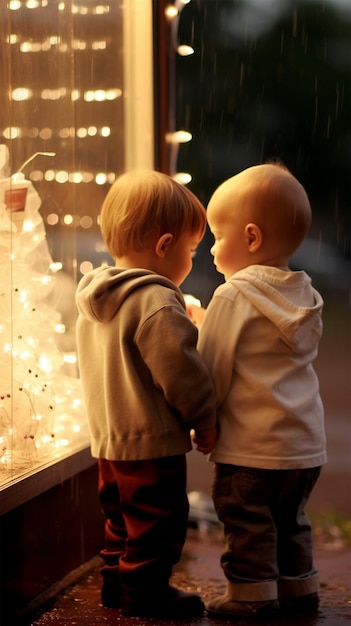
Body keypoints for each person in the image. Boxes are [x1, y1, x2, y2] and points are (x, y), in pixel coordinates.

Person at [75, 170, 217, 619]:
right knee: (158, 522)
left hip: (110, 440)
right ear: (164, 246)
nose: (192, 259)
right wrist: (204, 416)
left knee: (121, 519)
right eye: (191, 250)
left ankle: (116, 585)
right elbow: (179, 371)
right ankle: (146, 594)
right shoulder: (155, 300)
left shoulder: (96, 301)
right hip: (151, 440)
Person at [188, 162, 327, 620]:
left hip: (250, 448)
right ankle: (299, 588)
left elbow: (214, 366)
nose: (210, 249)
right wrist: (210, 321)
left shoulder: (233, 295)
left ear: (250, 238)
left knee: (247, 523)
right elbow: (263, 349)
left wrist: (203, 421)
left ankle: (250, 598)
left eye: (217, 236)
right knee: (290, 521)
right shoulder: (303, 295)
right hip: (302, 446)